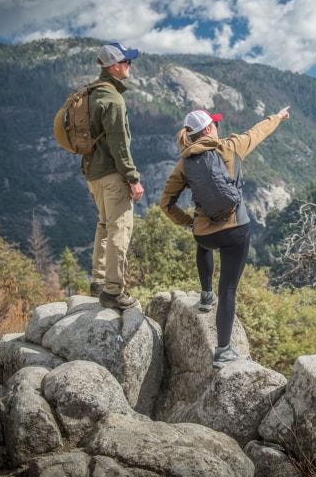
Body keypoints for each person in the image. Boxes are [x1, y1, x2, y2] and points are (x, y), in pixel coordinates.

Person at [160, 106, 290, 368]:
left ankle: (206, 296)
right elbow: (258, 132)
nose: (218, 127)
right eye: (215, 124)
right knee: (228, 288)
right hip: (235, 232)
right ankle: (223, 351)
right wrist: (277, 117)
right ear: (209, 129)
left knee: (202, 242)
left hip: (205, 236)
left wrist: (189, 222)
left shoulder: (184, 164)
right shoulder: (231, 147)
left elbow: (166, 204)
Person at [86, 42, 144, 310]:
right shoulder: (113, 100)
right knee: (120, 231)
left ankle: (98, 282)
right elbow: (119, 146)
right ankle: (113, 291)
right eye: (127, 62)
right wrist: (132, 178)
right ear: (114, 66)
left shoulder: (91, 93)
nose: (129, 66)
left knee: (104, 226)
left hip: (93, 175)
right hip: (112, 176)